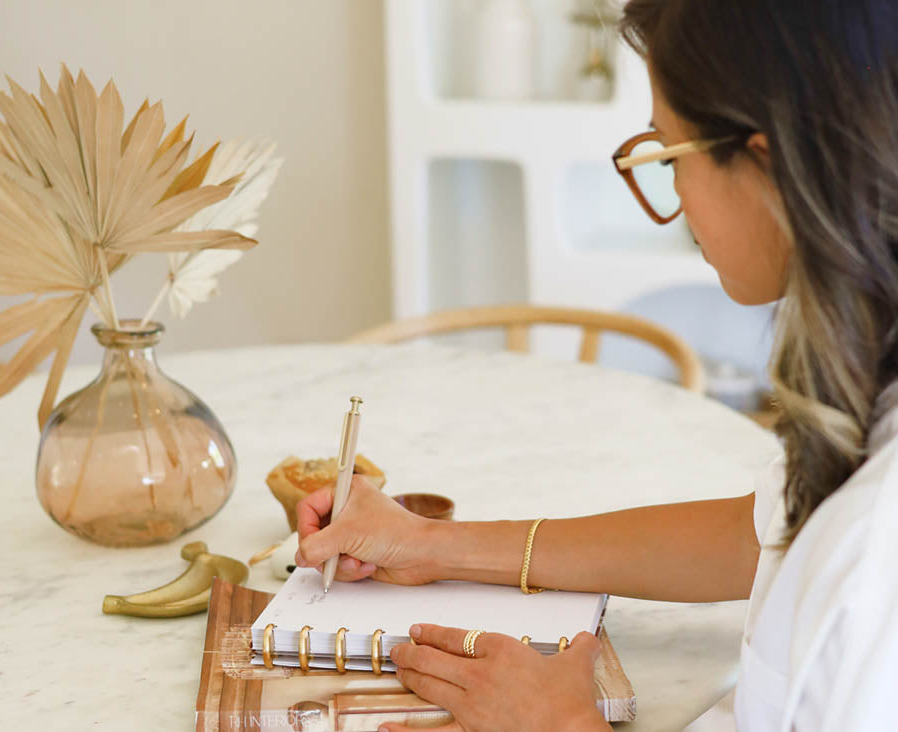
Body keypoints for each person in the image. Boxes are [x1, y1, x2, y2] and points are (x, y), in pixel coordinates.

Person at [295, 1, 898, 729]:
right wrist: (431, 544)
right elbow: (757, 538)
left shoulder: (878, 540)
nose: (672, 193)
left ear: (765, 164)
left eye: (669, 152)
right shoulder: (866, 380)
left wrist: (563, 724)